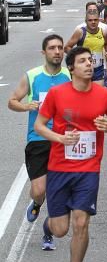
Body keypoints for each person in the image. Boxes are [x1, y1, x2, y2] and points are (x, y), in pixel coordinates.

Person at [34, 47, 107, 262]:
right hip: (59, 167)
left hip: (89, 169)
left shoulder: (105, 95)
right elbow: (39, 125)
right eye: (83, 61)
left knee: (81, 223)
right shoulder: (57, 93)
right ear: (72, 68)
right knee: (61, 228)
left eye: (90, 60)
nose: (89, 64)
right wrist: (59, 138)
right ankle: (49, 225)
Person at [8, 34, 71, 250]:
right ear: (44, 52)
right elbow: (12, 101)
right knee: (39, 190)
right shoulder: (32, 76)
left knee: (57, 191)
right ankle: (36, 203)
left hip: (63, 140)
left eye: (60, 48)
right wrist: (27, 106)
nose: (57, 52)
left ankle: (48, 232)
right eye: (52, 48)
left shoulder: (70, 76)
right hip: (38, 139)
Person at [64, 3, 107, 86]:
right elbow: (67, 47)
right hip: (82, 68)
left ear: (99, 20)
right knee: (82, 95)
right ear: (86, 21)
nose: (93, 22)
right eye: (90, 20)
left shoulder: (103, 32)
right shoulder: (80, 32)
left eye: (95, 20)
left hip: (98, 69)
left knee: (97, 95)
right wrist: (77, 58)